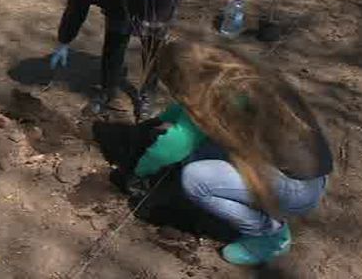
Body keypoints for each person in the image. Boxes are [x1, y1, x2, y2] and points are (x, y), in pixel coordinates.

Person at [124, 39, 332, 266]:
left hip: (298, 190)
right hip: (307, 176)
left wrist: (140, 171)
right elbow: (188, 113)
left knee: (195, 178)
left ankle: (269, 235)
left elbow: (173, 145)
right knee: (203, 148)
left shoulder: (214, 97)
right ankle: (253, 206)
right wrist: (162, 119)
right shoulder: (234, 77)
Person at [50, 0, 187, 117]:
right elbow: (75, 11)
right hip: (118, 2)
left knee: (152, 49)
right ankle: (107, 91)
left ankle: (147, 93)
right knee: (113, 45)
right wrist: (64, 40)